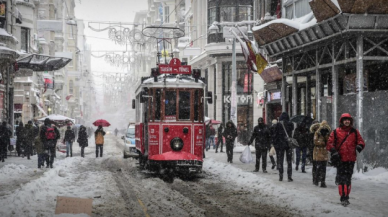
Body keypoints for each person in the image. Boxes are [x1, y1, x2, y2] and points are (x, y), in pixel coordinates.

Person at [326, 113, 365, 206]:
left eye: (348, 120)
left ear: (350, 121)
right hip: (340, 159)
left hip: (350, 159)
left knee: (348, 179)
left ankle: (346, 195)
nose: (347, 121)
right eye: (345, 120)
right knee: (342, 179)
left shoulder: (354, 132)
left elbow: (361, 141)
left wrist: (359, 146)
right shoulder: (335, 132)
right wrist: (334, 151)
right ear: (342, 121)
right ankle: (343, 197)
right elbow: (329, 144)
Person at [272, 112, 294, 182]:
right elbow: (291, 132)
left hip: (280, 145)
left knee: (280, 160)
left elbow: (275, 135)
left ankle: (281, 176)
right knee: (289, 161)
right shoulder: (291, 124)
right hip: (288, 144)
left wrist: (275, 144)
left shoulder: (278, 125)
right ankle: (289, 177)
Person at [310, 120, 331, 188]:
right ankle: (316, 180)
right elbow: (315, 141)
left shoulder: (327, 133)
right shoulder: (318, 132)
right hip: (318, 151)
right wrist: (322, 143)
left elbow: (329, 141)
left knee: (323, 167)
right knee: (318, 167)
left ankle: (322, 181)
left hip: (324, 152)